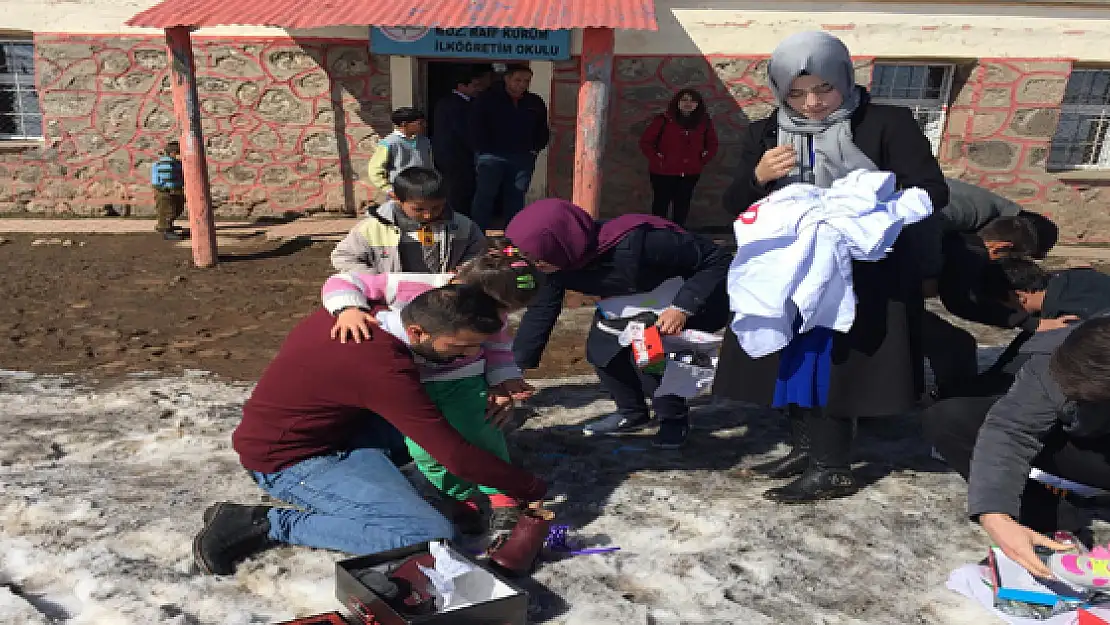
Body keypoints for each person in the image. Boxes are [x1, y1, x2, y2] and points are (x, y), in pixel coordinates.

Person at [713, 31, 949, 502]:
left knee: (836, 369)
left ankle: (833, 466)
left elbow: (931, 190)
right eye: (797, 93)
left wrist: (875, 212)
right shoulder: (765, 132)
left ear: (845, 78)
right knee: (790, 358)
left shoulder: (887, 123)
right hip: (789, 269)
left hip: (863, 274)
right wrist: (759, 177)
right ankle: (804, 448)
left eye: (824, 88)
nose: (813, 103)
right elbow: (734, 204)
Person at [192, 288, 547, 576]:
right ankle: (263, 523)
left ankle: (419, 494)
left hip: (346, 431)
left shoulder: (365, 311)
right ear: (418, 332)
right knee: (427, 535)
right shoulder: (380, 367)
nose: (467, 356)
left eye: (475, 348)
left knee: (456, 418)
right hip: (292, 460)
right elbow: (452, 454)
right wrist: (528, 486)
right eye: (459, 348)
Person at [322, 251, 542, 533]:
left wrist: (503, 380)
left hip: (463, 381)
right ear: (461, 283)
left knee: (481, 434)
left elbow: (496, 346)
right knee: (425, 449)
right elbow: (344, 280)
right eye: (497, 309)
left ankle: (502, 496)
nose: (499, 318)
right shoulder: (410, 286)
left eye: (505, 313)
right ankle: (459, 495)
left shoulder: (491, 309)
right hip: (411, 385)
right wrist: (349, 309)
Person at [507, 199, 731, 449]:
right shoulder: (555, 265)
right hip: (624, 304)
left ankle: (672, 418)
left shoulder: (641, 241)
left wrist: (682, 307)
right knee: (602, 353)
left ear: (561, 242)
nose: (535, 264)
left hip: (680, 300)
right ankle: (631, 413)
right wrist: (515, 368)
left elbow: (716, 258)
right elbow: (541, 310)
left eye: (537, 257)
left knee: (649, 359)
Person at [922, 315, 1110, 578]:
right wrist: (994, 513)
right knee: (952, 418)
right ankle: (1052, 524)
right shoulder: (1064, 352)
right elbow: (1012, 430)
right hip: (1085, 446)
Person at [924, 215, 1043, 399]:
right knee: (957, 344)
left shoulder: (962, 239)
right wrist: (1025, 321)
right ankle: (957, 398)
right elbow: (961, 302)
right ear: (1002, 246)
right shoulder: (972, 253)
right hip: (893, 306)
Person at [330, 167, 485, 274]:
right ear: (397, 199)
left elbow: (479, 252)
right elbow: (343, 257)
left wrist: (462, 272)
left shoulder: (463, 227)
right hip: (390, 297)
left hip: (443, 298)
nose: (428, 215)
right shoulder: (372, 228)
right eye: (419, 209)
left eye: (436, 207)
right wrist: (377, 280)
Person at [469, 64, 551, 230]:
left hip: (522, 157)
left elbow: (542, 128)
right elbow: (474, 126)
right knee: (485, 195)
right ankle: (476, 234)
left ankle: (513, 234)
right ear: (507, 79)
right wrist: (482, 149)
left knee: (516, 196)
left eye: (526, 81)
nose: (522, 84)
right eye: (518, 80)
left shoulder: (534, 102)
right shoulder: (487, 99)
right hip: (491, 156)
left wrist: (535, 149)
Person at [638, 89, 720, 227]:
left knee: (682, 204)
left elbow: (712, 144)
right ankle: (658, 233)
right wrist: (658, 159)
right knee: (661, 203)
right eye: (684, 100)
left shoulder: (703, 122)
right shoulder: (663, 120)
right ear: (677, 102)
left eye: (692, 100)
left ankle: (678, 233)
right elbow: (646, 142)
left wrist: (701, 160)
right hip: (663, 171)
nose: (688, 103)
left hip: (690, 172)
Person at [433, 67, 484, 217]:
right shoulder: (456, 105)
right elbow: (463, 131)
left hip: (453, 155)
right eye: (474, 85)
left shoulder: (450, 102)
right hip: (456, 155)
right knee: (458, 191)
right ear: (462, 86)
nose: (477, 89)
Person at [368, 107, 433, 201]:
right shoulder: (389, 143)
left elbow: (430, 165)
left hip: (423, 190)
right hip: (401, 192)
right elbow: (375, 170)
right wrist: (388, 189)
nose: (425, 125)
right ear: (404, 124)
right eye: (420, 123)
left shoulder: (424, 141)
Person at [151, 141, 185, 241]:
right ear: (173, 153)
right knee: (168, 210)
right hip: (166, 190)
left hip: (171, 189)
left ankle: (167, 225)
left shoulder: (173, 162)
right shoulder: (167, 163)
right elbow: (167, 177)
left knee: (176, 208)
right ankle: (166, 229)